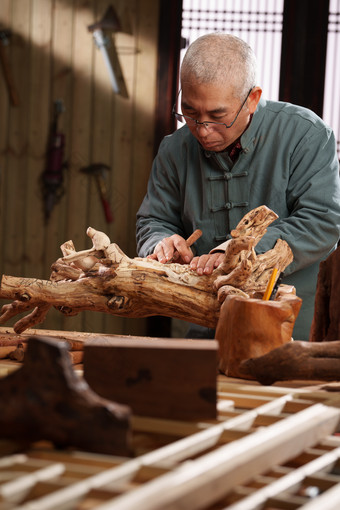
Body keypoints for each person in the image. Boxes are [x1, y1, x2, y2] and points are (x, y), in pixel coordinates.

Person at [136, 32, 340, 340]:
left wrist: (239, 250)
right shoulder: (174, 150)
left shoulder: (306, 136)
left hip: (294, 325)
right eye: (189, 113)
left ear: (253, 99)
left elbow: (323, 221)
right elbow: (153, 220)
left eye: (218, 116)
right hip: (208, 323)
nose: (202, 131)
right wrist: (161, 242)